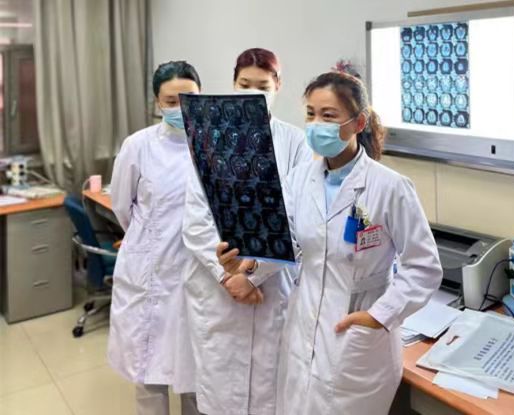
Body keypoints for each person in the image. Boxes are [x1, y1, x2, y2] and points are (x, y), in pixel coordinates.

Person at [217, 71, 443, 415]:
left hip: (358, 332)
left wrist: (379, 316)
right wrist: (247, 263)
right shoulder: (299, 179)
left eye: (328, 115)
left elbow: (423, 268)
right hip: (303, 326)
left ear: (358, 123)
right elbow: (287, 243)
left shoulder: (390, 187)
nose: (316, 125)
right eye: (310, 114)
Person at [172, 48, 312, 415]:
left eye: (262, 86)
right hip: (219, 288)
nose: (252, 93)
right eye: (244, 84)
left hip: (271, 286)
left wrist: (252, 275)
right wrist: (227, 276)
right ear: (233, 84)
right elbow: (196, 219)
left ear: (278, 86)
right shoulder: (208, 137)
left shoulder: (295, 142)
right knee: (221, 391)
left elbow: (299, 218)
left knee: (270, 392)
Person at [108, 61, 201, 415]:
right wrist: (149, 241)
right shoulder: (138, 145)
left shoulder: (214, 145)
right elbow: (122, 207)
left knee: (196, 377)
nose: (180, 108)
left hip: (198, 272)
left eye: (188, 99)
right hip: (149, 273)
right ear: (157, 103)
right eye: (171, 101)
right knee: (148, 375)